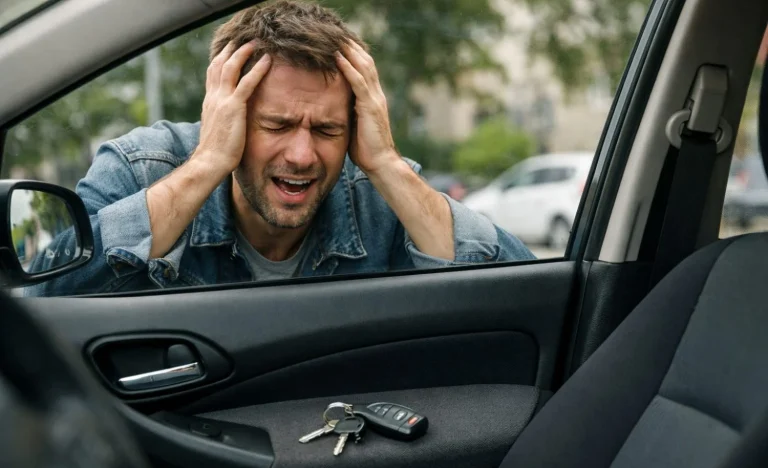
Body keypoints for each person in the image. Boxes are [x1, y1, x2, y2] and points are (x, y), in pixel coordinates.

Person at [27, 0, 534, 297]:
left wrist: (385, 163)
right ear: (226, 113)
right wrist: (207, 163)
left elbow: (526, 294)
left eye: (328, 130)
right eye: (277, 124)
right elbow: (47, 292)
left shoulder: (383, 188)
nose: (301, 155)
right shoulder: (142, 168)